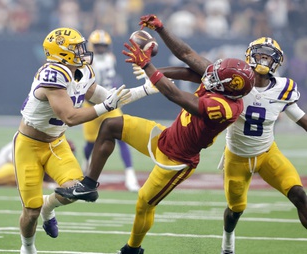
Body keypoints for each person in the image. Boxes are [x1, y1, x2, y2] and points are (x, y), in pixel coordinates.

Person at [55, 36, 255, 254]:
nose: (212, 76)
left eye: (218, 76)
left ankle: (133, 248)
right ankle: (89, 185)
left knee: (144, 203)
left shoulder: (225, 108)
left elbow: (174, 94)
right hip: (164, 137)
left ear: (230, 87)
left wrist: (148, 66)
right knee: (111, 125)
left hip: (178, 162)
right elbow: (190, 69)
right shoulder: (223, 88)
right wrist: (158, 44)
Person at [134, 14, 307, 254]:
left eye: (268, 56)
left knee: (300, 195)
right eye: (260, 54)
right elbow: (188, 57)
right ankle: (228, 239)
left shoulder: (284, 88)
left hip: (268, 153)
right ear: (249, 55)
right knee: (236, 209)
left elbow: (300, 117)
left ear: (276, 62)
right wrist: (162, 31)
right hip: (237, 157)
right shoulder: (233, 80)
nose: (263, 60)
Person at [13, 27, 157, 254]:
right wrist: (106, 107)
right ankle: (27, 247)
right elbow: (70, 117)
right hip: (29, 145)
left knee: (80, 190)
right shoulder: (52, 74)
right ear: (61, 53)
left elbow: (108, 98)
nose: (83, 51)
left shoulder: (84, 71)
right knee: (30, 211)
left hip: (56, 142)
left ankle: (48, 207)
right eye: (76, 47)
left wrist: (146, 89)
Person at [83, 29, 140, 192]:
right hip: (95, 105)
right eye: (98, 45)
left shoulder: (90, 60)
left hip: (105, 103)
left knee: (121, 139)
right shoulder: (110, 58)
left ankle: (130, 175)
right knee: (90, 143)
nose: (100, 48)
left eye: (103, 46)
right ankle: (86, 166)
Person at [0, 140, 75, 189]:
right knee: (13, 174)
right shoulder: (30, 146)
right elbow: (20, 170)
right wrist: (51, 186)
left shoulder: (39, 146)